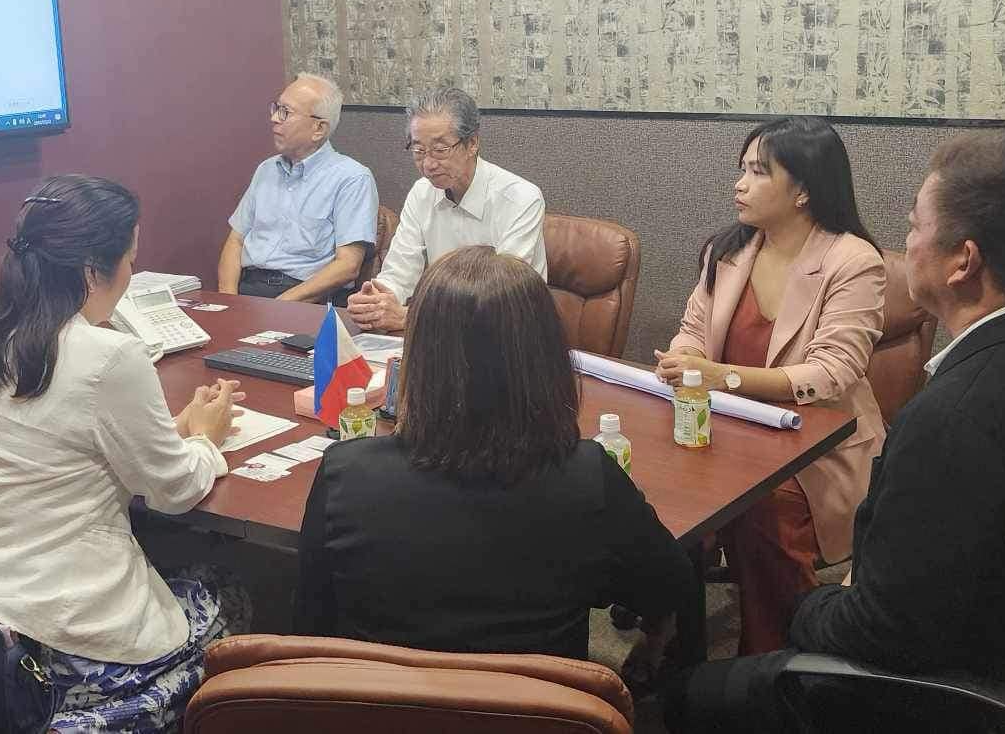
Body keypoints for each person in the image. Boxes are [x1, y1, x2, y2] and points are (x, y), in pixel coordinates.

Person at [667, 132, 1005, 734]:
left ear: (963, 262)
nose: (907, 241)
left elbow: (880, 632)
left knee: (686, 698)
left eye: (915, 225)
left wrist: (807, 605)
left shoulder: (954, 418)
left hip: (988, 700)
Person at [0, 175, 251, 731]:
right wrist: (204, 439)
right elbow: (172, 490)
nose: (132, 272)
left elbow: (57, 441)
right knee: (231, 590)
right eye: (131, 259)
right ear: (95, 270)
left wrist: (170, 429)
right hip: (61, 624)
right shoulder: (110, 355)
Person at [297, 246, 695, 670]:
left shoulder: (346, 473)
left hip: (378, 702)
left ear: (418, 358)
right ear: (546, 358)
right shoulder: (588, 478)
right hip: (544, 704)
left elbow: (309, 625)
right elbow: (671, 590)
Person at [654, 116, 887, 655]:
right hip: (722, 429)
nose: (740, 184)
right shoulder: (727, 250)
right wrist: (687, 359)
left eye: (758, 172)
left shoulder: (853, 261)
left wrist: (724, 378)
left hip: (812, 447)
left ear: (803, 190)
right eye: (742, 169)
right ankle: (670, 636)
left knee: (762, 511)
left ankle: (769, 657)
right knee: (647, 489)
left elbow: (832, 371)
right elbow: (692, 331)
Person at [346, 87, 545, 332]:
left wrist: (410, 317)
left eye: (440, 150)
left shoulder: (521, 198)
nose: (428, 164)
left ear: (472, 143)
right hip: (441, 333)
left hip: (510, 332)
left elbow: (501, 300)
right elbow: (399, 272)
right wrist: (376, 300)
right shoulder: (422, 193)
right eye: (419, 150)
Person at [216, 73, 379, 304]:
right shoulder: (266, 170)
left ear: (318, 128)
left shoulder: (352, 178)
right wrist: (229, 302)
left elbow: (348, 266)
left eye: (286, 112)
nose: (274, 118)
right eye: (276, 108)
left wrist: (280, 306)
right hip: (248, 290)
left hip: (304, 298)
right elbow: (236, 241)